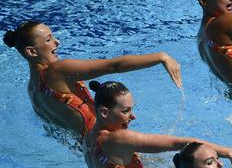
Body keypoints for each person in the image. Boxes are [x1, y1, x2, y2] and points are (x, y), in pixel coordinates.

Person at [3, 21, 182, 137]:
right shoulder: (58, 70)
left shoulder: (33, 89)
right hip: (109, 145)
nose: (57, 42)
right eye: (49, 39)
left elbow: (56, 130)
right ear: (32, 51)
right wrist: (161, 57)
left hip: (92, 153)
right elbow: (114, 66)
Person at [83, 80, 232, 168]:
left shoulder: (89, 139)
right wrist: (229, 152)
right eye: (126, 111)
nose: (133, 117)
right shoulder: (119, 139)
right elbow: (178, 143)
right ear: (104, 112)